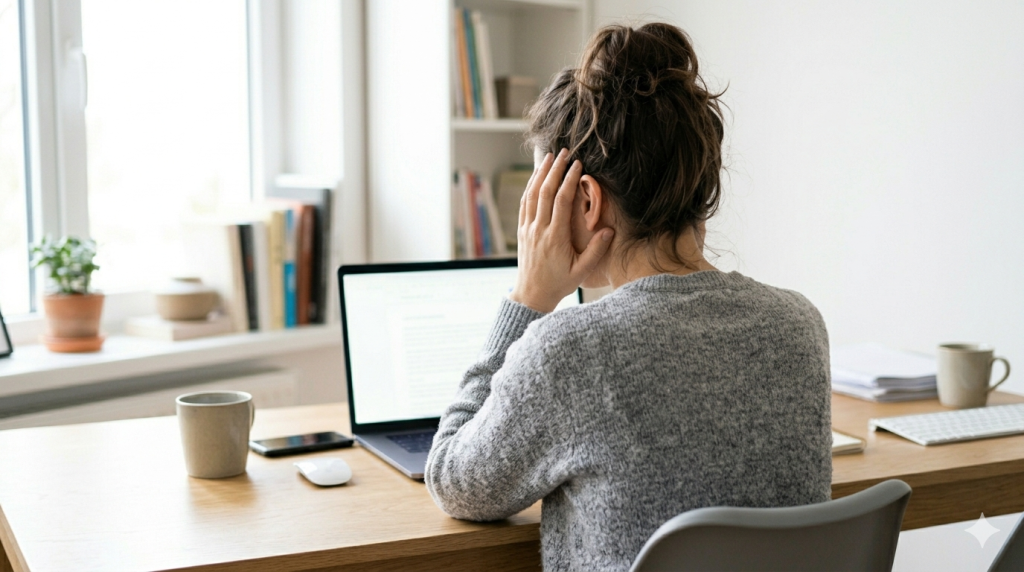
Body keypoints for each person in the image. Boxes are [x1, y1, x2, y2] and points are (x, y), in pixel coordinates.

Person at [425, 22, 831, 572]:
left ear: (585, 200)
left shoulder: (569, 350)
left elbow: (455, 481)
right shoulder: (799, 325)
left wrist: (529, 296)